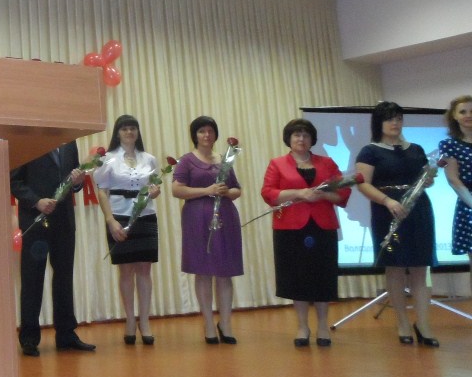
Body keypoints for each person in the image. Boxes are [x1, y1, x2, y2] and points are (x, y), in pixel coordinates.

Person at [261, 118, 351, 348]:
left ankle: (322, 326)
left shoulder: (327, 163)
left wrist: (322, 195)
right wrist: (298, 193)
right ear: (289, 139)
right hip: (290, 228)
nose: (301, 139)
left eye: (306, 135)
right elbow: (268, 193)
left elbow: (343, 194)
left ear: (312, 139)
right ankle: (302, 326)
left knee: (322, 276)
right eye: (297, 135)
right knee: (296, 277)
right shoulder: (277, 164)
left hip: (322, 226)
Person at [355, 101, 439, 347]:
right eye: (390, 118)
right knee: (394, 268)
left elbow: (424, 178)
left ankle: (423, 324)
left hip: (418, 210)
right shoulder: (369, 151)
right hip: (387, 211)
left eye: (399, 118)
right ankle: (402, 323)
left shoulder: (416, 149)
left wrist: (428, 180)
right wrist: (387, 201)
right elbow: (363, 184)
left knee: (420, 269)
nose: (395, 123)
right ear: (378, 123)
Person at [11, 143, 95, 356]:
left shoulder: (69, 143)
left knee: (64, 277)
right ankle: (29, 337)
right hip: (35, 220)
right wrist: (36, 201)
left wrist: (78, 182)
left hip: (64, 220)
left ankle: (66, 334)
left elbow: (73, 181)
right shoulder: (28, 140)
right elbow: (14, 180)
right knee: (32, 278)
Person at [171, 116, 243, 345]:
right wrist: (207, 190)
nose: (206, 135)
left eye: (210, 131)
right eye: (201, 131)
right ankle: (209, 324)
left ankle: (226, 323)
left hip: (225, 218)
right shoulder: (186, 161)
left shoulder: (224, 160)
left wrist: (225, 192)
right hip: (197, 220)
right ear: (195, 135)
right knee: (203, 271)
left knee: (224, 272)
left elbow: (237, 190)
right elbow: (177, 190)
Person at [94, 115, 163, 345]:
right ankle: (130, 320)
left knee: (144, 270)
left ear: (138, 132)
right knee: (125, 271)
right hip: (119, 216)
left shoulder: (149, 159)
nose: (129, 132)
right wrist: (110, 220)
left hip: (146, 215)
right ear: (117, 133)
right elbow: (102, 191)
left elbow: (154, 187)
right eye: (124, 129)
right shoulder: (108, 159)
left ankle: (145, 321)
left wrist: (155, 192)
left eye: (133, 128)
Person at [441, 95, 472, 291]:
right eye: (463, 111)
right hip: (469, 205)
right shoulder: (450, 145)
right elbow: (453, 179)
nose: (468, 115)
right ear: (454, 116)